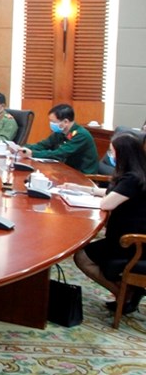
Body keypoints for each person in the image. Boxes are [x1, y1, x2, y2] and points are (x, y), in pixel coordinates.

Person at [67, 132, 146, 316]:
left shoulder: (132, 178)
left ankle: (123, 293)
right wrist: (82, 189)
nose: (111, 156)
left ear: (123, 154)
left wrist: (93, 195)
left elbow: (107, 204)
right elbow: (116, 193)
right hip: (129, 238)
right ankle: (128, 292)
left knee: (82, 257)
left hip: (129, 242)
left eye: (112, 151)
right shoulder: (139, 173)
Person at [20, 104, 98, 174]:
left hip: (82, 176)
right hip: (66, 171)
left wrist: (32, 154)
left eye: (53, 122)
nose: (51, 124)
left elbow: (59, 154)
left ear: (66, 121)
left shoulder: (81, 135)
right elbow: (43, 145)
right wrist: (22, 147)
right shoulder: (60, 132)